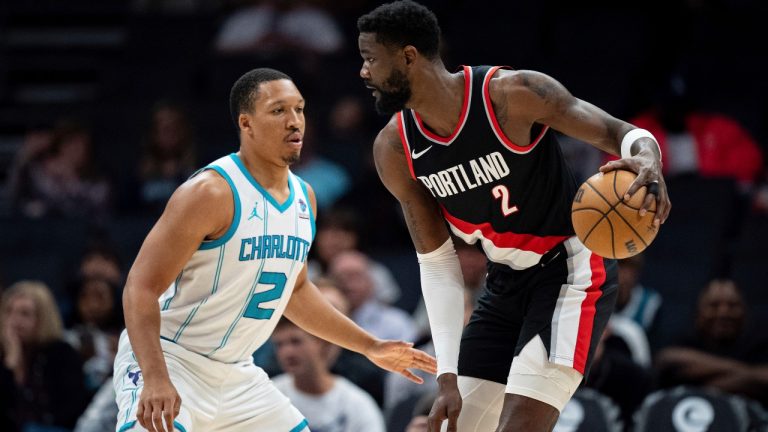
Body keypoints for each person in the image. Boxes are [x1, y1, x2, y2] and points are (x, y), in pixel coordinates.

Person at [356, 2, 671, 431]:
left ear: (409, 56)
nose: (364, 72)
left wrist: (648, 157)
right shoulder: (395, 149)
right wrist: (447, 375)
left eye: (371, 59)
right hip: (502, 283)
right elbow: (438, 264)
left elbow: (618, 132)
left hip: (570, 271)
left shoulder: (512, 95)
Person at [115, 67, 436, 432]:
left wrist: (369, 346)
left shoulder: (304, 198)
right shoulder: (209, 192)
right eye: (278, 110)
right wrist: (155, 376)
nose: (294, 121)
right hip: (171, 359)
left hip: (237, 373)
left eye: (299, 109)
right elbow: (140, 287)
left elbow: (295, 292)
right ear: (246, 123)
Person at [655, 279, 768, 406]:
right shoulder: (684, 339)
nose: (723, 313)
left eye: (733, 306)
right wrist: (748, 374)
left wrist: (699, 386)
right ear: (698, 312)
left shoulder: (758, 343)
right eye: (714, 306)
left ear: (745, 311)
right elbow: (668, 359)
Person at [1, 281, 89, 431]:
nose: (14, 320)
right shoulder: (4, 355)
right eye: (9, 312)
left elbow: (70, 411)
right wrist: (11, 362)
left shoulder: (62, 354)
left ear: (43, 318)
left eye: (24, 314)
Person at [271, 317, 386, 432]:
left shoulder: (357, 404)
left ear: (321, 342)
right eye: (279, 345)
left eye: (296, 342)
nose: (287, 353)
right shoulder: (271, 395)